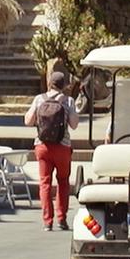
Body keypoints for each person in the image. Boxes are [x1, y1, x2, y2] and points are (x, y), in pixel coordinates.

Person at [24, 71, 80, 231]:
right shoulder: (68, 100)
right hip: (62, 147)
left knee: (45, 183)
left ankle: (47, 221)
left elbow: (28, 121)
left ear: (49, 83)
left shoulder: (39, 99)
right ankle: (61, 218)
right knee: (63, 182)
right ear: (64, 85)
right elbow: (74, 125)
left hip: (42, 146)